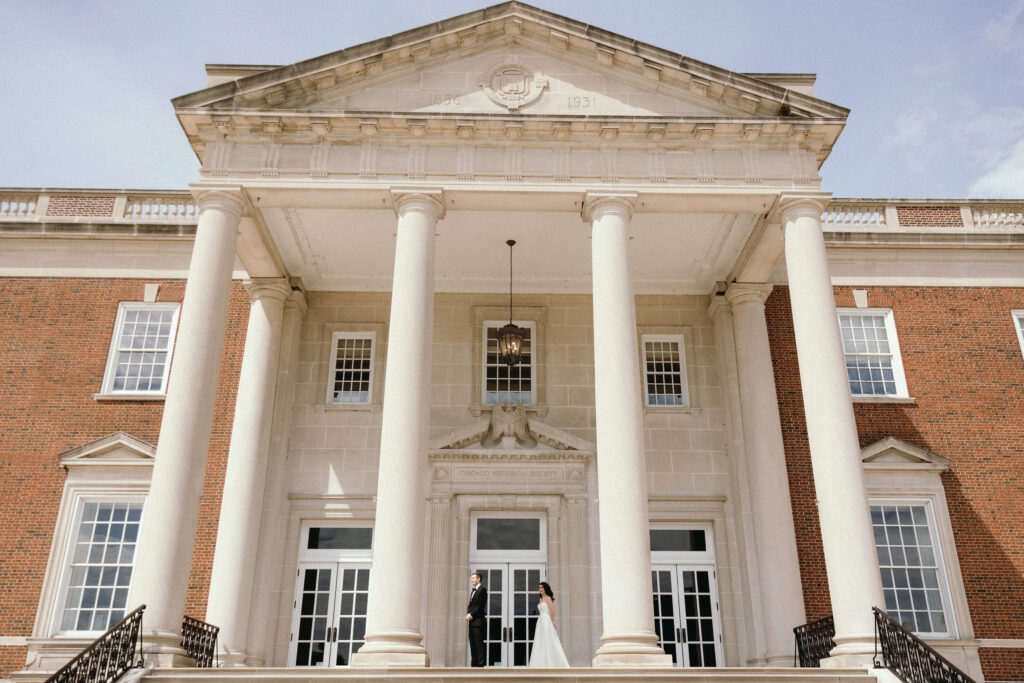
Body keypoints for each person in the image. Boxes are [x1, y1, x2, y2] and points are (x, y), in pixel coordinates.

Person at [528, 581, 570, 668]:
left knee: (548, 640)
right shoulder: (541, 599)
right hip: (540, 621)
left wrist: (551, 622)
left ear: (545, 588)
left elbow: (553, 612)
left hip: (546, 620)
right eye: (539, 587)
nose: (540, 589)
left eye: (542, 587)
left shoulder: (548, 598)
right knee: (540, 640)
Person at [465, 571, 488, 667]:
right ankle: (474, 665)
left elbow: (479, 606)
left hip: (478, 622)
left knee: (479, 644)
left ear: (479, 579)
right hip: (472, 622)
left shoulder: (482, 590)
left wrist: (471, 615)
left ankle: (480, 665)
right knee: (473, 644)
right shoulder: (473, 592)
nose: (471, 580)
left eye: (473, 578)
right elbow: (471, 605)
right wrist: (468, 613)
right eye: (471, 578)